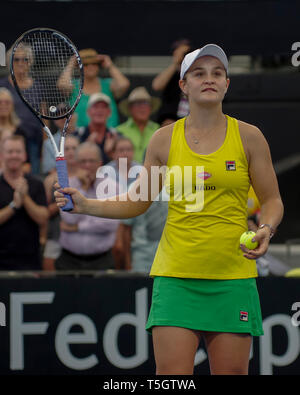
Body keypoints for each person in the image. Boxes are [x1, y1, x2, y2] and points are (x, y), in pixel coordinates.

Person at [54, 44, 284, 375]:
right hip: (176, 278)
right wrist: (87, 204)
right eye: (199, 73)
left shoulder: (250, 137)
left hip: (233, 277)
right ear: (183, 85)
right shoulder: (163, 140)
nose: (209, 79)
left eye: (217, 73)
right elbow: (138, 200)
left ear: (227, 83)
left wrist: (267, 228)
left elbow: (273, 200)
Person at [55, 141, 120, 271]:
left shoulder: (112, 187)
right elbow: (69, 218)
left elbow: (110, 223)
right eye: (83, 162)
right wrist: (83, 188)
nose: (87, 166)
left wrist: (77, 227)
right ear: (76, 163)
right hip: (69, 260)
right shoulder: (68, 185)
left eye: (92, 161)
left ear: (100, 163)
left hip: (101, 259)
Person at [0, 135, 48, 270]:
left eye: (18, 151)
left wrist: (25, 197)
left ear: (25, 155)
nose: (14, 155)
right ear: (2, 155)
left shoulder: (36, 184)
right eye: (10, 152)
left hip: (30, 259)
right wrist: (14, 206)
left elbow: (43, 219)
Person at [57, 48, 130, 129]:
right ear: (78, 66)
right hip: (79, 137)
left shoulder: (108, 84)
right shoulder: (73, 86)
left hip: (109, 136)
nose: (91, 67)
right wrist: (71, 63)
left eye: (94, 64)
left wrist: (110, 65)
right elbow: (62, 85)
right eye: (85, 64)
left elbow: (124, 84)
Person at [0, 45, 45, 174]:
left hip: (33, 141)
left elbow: (44, 118)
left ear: (30, 62)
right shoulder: (2, 85)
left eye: (25, 59)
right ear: (9, 62)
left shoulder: (38, 86)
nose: (20, 63)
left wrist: (44, 145)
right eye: (16, 59)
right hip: (7, 139)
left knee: (32, 178)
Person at [42, 135, 80, 271]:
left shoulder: (87, 176)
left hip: (81, 236)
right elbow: (44, 212)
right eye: (66, 148)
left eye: (74, 148)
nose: (70, 152)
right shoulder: (49, 180)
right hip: (56, 236)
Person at [116, 87, 161, 163]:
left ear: (150, 108)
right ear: (130, 109)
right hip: (126, 172)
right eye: (138, 104)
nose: (142, 108)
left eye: (146, 103)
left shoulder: (159, 129)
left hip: (153, 172)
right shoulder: (119, 131)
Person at [152, 39, 192, 120]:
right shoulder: (171, 74)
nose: (183, 56)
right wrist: (175, 63)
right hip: (171, 120)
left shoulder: (195, 73)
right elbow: (156, 86)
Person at [78, 92, 119, 165]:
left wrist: (111, 154)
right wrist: (86, 149)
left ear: (109, 112)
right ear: (88, 112)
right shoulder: (78, 135)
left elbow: (124, 167)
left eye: (104, 107)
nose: (100, 110)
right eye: (95, 107)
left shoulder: (117, 136)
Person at [41, 105, 79, 175]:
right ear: (55, 121)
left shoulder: (85, 135)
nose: (65, 117)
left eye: (68, 113)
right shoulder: (48, 144)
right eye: (60, 115)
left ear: (75, 117)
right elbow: (50, 169)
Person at [0, 87, 31, 173]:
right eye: (0, 102)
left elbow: (27, 165)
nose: (3, 105)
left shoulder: (21, 132)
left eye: (7, 102)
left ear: (12, 106)